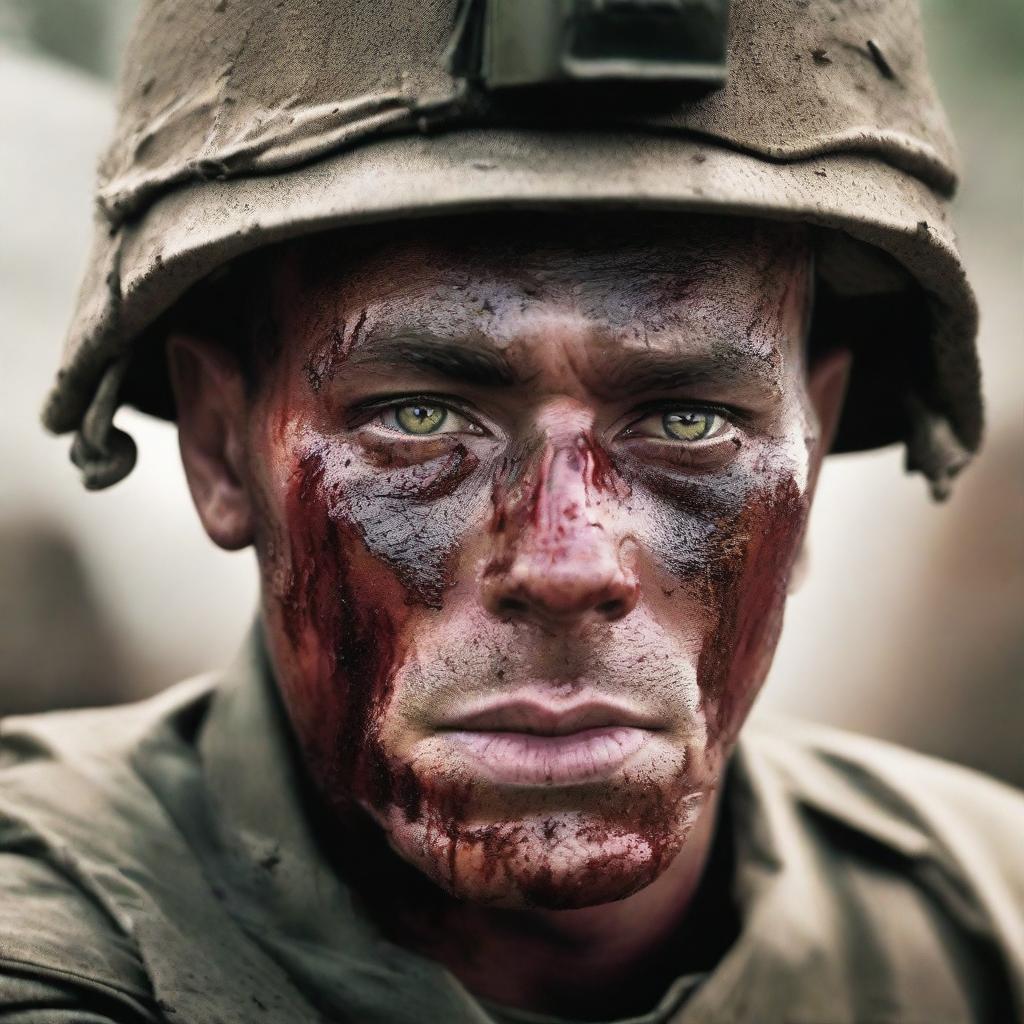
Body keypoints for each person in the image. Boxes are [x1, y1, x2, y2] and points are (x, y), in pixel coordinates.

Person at [2, 1, 1020, 1021]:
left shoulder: (986, 924)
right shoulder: (47, 942)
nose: (568, 562)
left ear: (813, 441)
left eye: (688, 421)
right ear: (221, 445)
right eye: (420, 415)